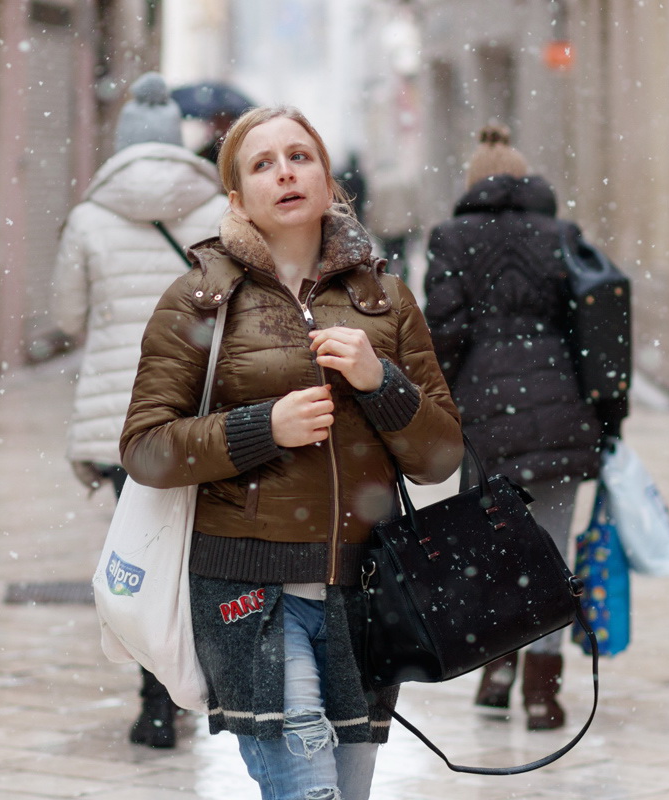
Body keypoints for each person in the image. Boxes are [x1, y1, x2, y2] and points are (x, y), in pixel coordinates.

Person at [119, 105, 462, 800]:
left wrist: (380, 382)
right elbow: (146, 447)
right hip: (248, 590)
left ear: (329, 180)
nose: (286, 173)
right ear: (238, 199)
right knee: (308, 788)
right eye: (263, 163)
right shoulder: (200, 299)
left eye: (300, 157)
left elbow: (440, 456)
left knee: (347, 789)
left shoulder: (386, 302)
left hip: (364, 592)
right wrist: (259, 429)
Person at [423, 125, 627, 730]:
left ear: (472, 183)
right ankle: (544, 693)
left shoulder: (451, 239)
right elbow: (595, 333)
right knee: (552, 554)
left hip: (486, 423)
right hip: (559, 414)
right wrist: (606, 417)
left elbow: (445, 332)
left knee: (492, 551)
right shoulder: (561, 236)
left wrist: (440, 403)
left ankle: (497, 671)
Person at [51, 71, 228, 747]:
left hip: (121, 416)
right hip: (196, 408)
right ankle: (190, 683)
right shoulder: (215, 212)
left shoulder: (90, 216)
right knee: (192, 553)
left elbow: (66, 315)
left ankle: (154, 702)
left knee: (140, 549)